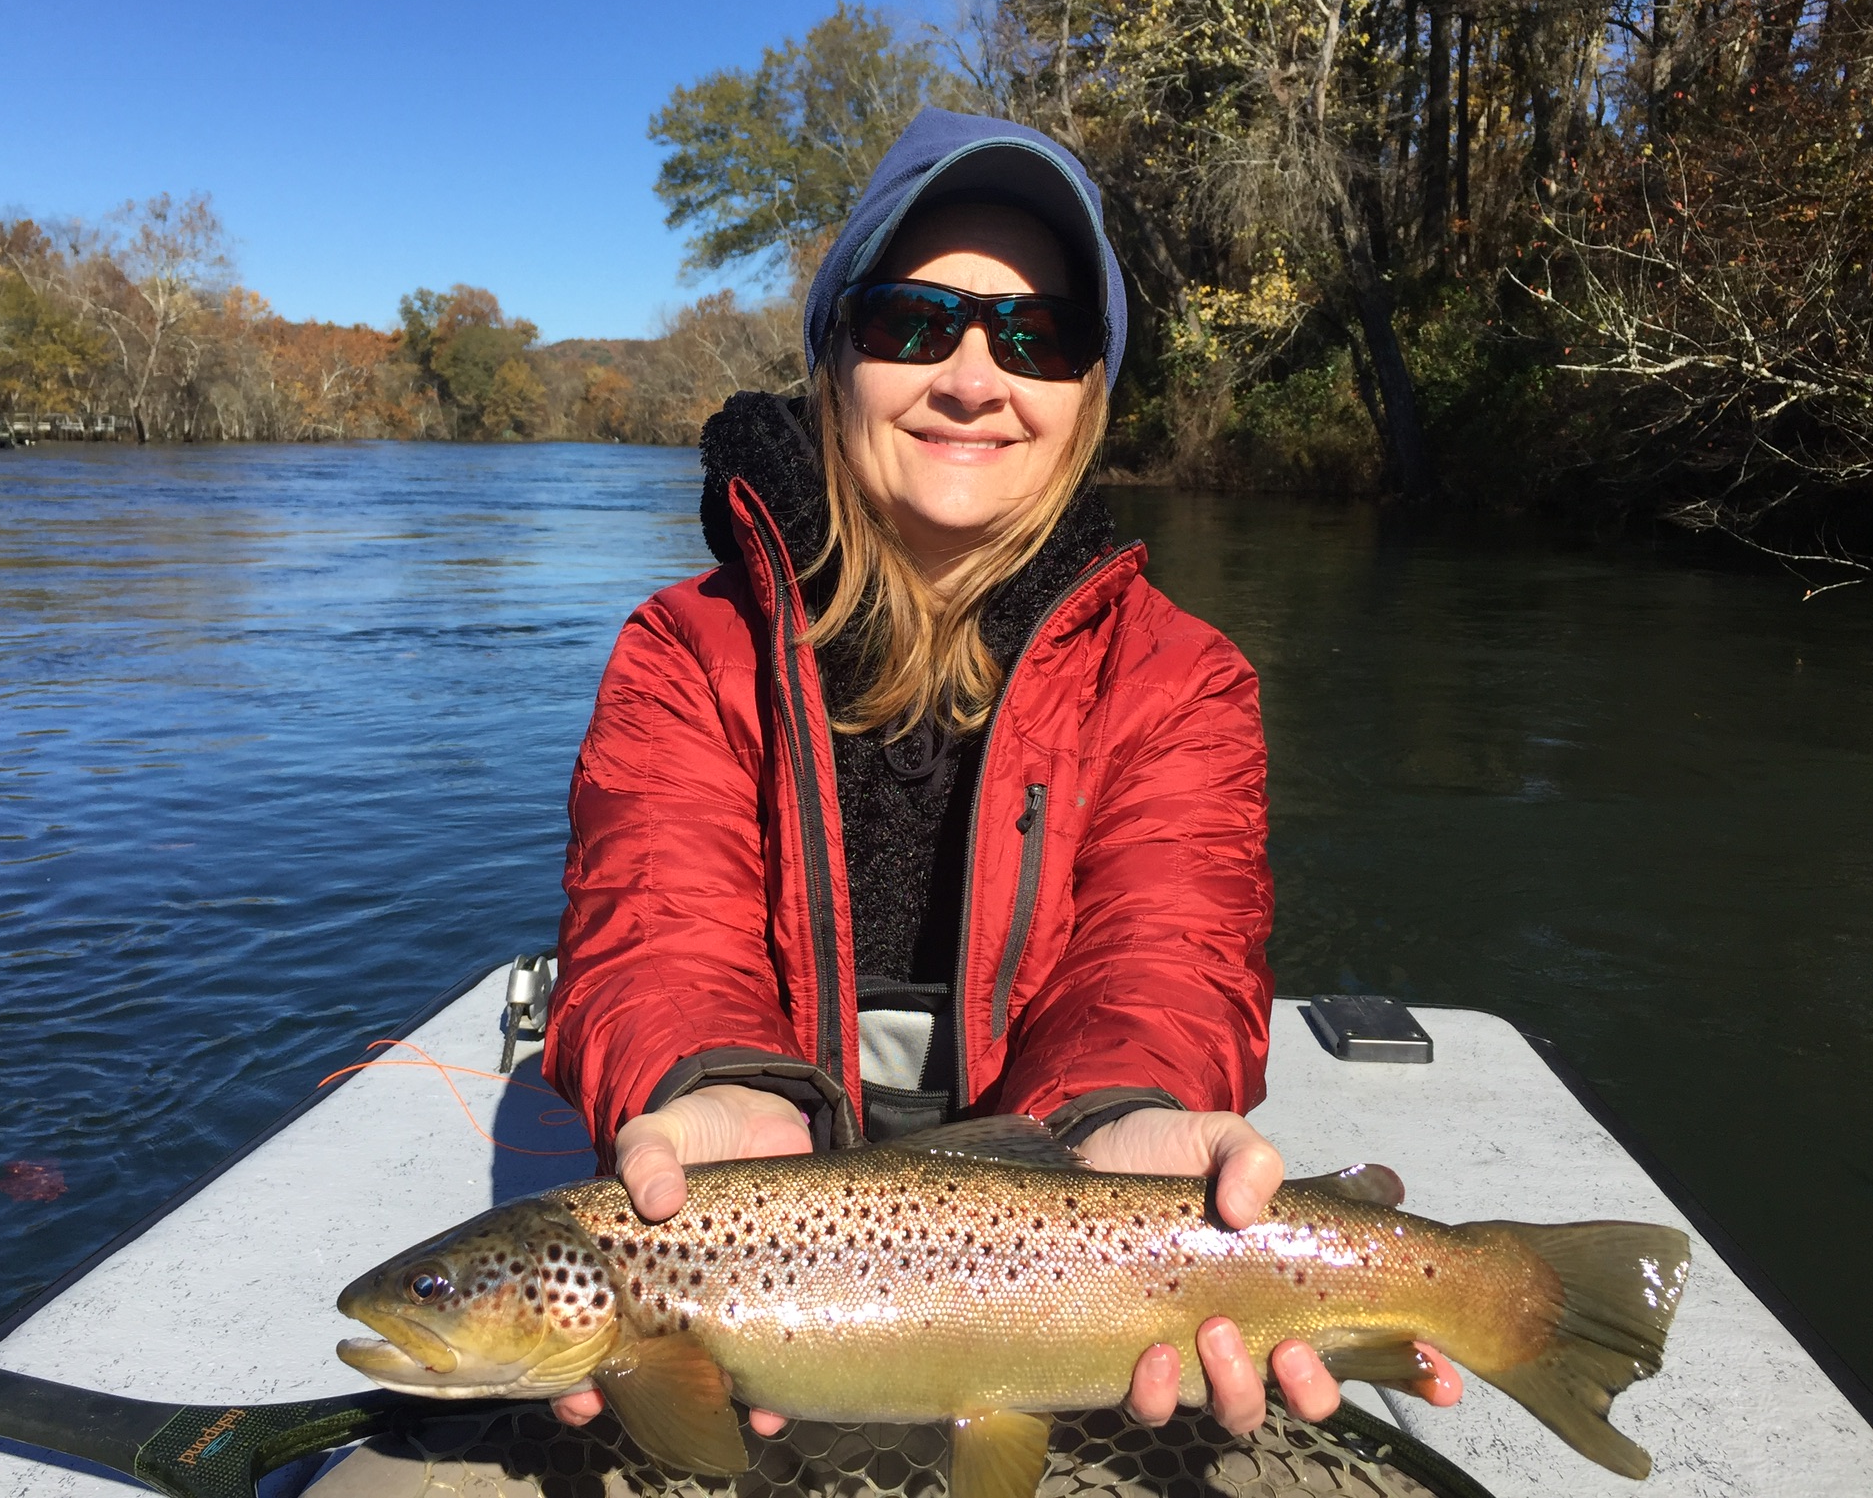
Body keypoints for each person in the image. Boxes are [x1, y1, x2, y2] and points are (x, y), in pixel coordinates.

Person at [543, 108, 1461, 1437]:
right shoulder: (685, 653)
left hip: (1073, 1295)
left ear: (1086, 393)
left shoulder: (1181, 678)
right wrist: (701, 1088)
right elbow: (655, 927)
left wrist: (1126, 1116)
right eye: (913, 321)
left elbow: (1168, 949)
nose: (974, 377)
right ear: (831, 356)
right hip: (737, 1286)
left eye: (1037, 336)